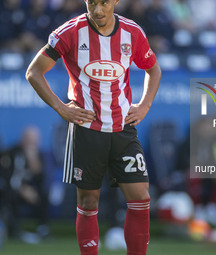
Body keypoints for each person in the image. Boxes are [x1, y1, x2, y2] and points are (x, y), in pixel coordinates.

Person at [26, 0, 161, 254]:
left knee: (141, 197)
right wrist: (61, 107)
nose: (97, 10)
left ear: (116, 1)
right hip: (86, 129)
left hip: (123, 129)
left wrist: (144, 106)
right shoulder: (69, 32)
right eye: (92, 3)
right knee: (89, 201)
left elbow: (153, 69)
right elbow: (34, 72)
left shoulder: (132, 32)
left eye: (104, 3)